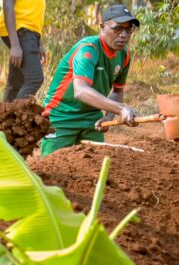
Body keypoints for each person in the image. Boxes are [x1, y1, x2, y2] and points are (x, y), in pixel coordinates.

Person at [40, 4, 140, 157]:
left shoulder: (124, 55)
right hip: (61, 116)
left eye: (129, 29)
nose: (124, 35)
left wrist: (108, 116)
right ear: (102, 27)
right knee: (52, 169)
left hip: (91, 119)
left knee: (95, 167)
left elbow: (117, 90)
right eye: (117, 28)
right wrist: (120, 109)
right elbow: (80, 91)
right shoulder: (88, 49)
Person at [0, 0, 46, 102]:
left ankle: (4, 115)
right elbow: (7, 3)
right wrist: (15, 45)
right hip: (20, 30)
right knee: (34, 78)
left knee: (15, 82)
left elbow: (33, 10)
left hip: (27, 32)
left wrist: (39, 42)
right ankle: (15, 115)